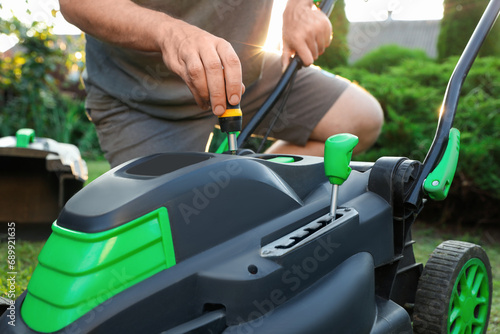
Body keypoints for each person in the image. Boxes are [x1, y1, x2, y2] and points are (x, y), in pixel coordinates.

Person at [59, 0, 383, 168]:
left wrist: (299, 5)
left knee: (361, 119)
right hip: (140, 98)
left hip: (246, 74)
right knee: (177, 241)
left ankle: (253, 181)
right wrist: (171, 33)